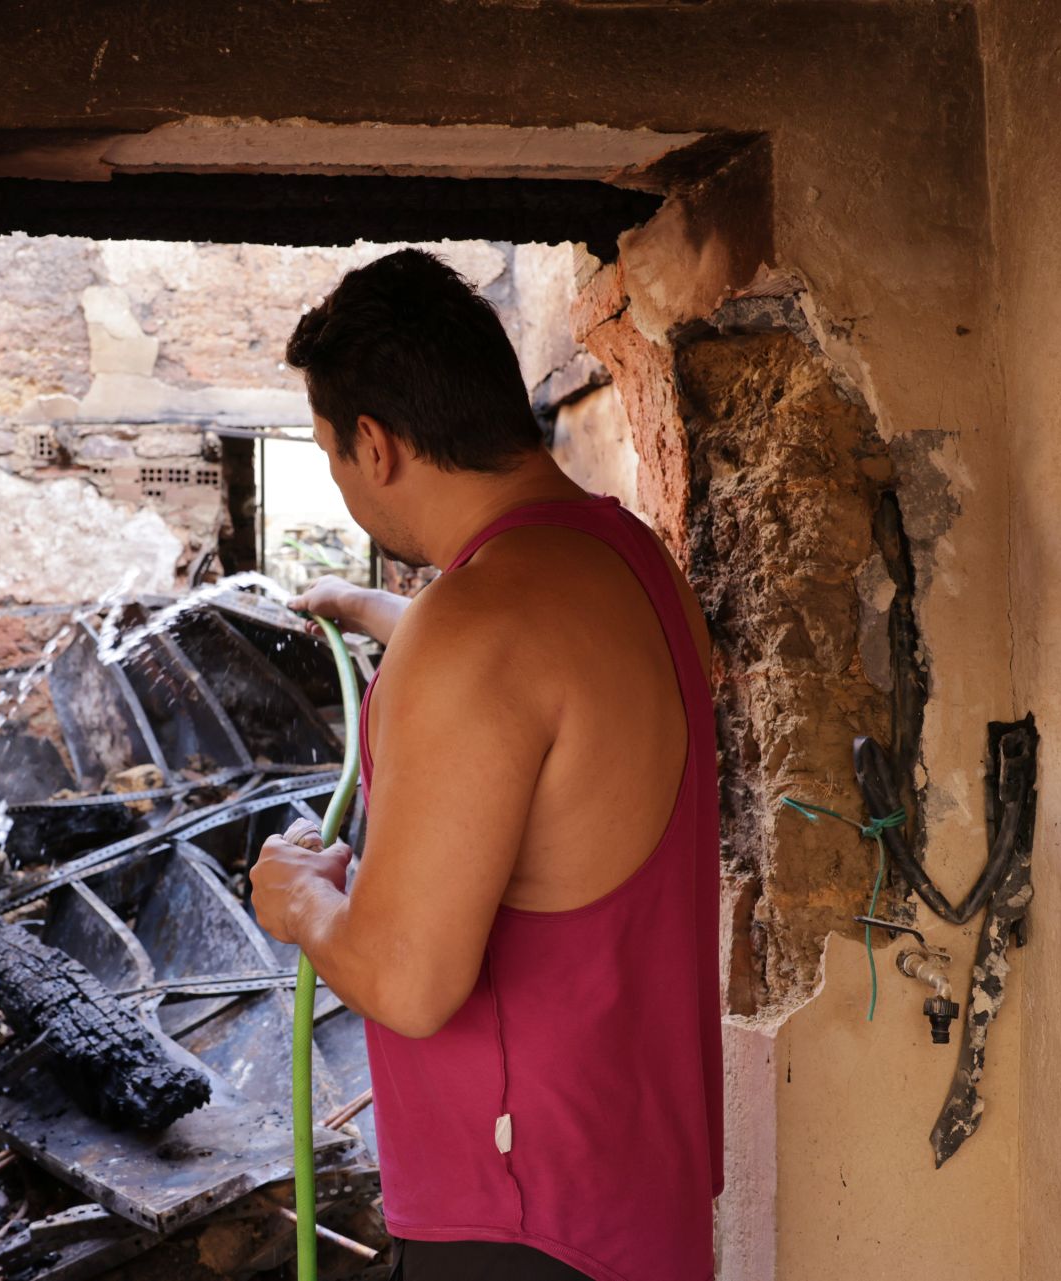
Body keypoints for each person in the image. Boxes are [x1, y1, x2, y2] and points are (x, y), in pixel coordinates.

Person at [249, 249, 723, 1281]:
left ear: (373, 445)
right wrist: (393, 620)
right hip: (639, 1199)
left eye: (331, 455)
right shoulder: (631, 564)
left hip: (517, 1222)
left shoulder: (473, 633)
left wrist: (298, 901)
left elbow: (409, 984)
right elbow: (549, 703)